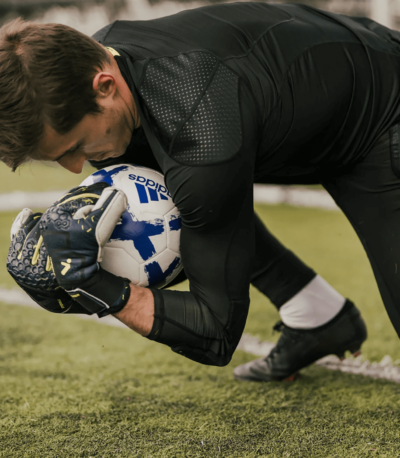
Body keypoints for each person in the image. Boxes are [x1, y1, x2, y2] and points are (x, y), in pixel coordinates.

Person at [7, 1, 400, 382]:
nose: (76, 167)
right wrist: (63, 283)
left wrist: (95, 287)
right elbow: (191, 238)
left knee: (207, 199)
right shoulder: (91, 66)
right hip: (305, 115)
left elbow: (215, 332)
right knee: (207, 210)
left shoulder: (197, 126)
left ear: (105, 86)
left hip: (384, 107)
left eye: (75, 147)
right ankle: (316, 315)